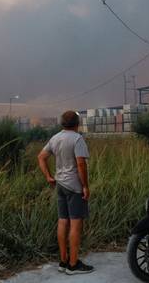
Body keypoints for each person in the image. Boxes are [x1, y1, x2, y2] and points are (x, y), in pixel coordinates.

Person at [37, 110, 94, 275]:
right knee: (76, 224)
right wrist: (85, 186)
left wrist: (48, 176)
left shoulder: (55, 138)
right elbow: (81, 164)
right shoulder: (77, 139)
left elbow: (41, 157)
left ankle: (63, 261)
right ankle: (73, 264)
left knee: (63, 221)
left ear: (62, 123)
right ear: (77, 124)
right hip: (74, 187)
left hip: (60, 184)